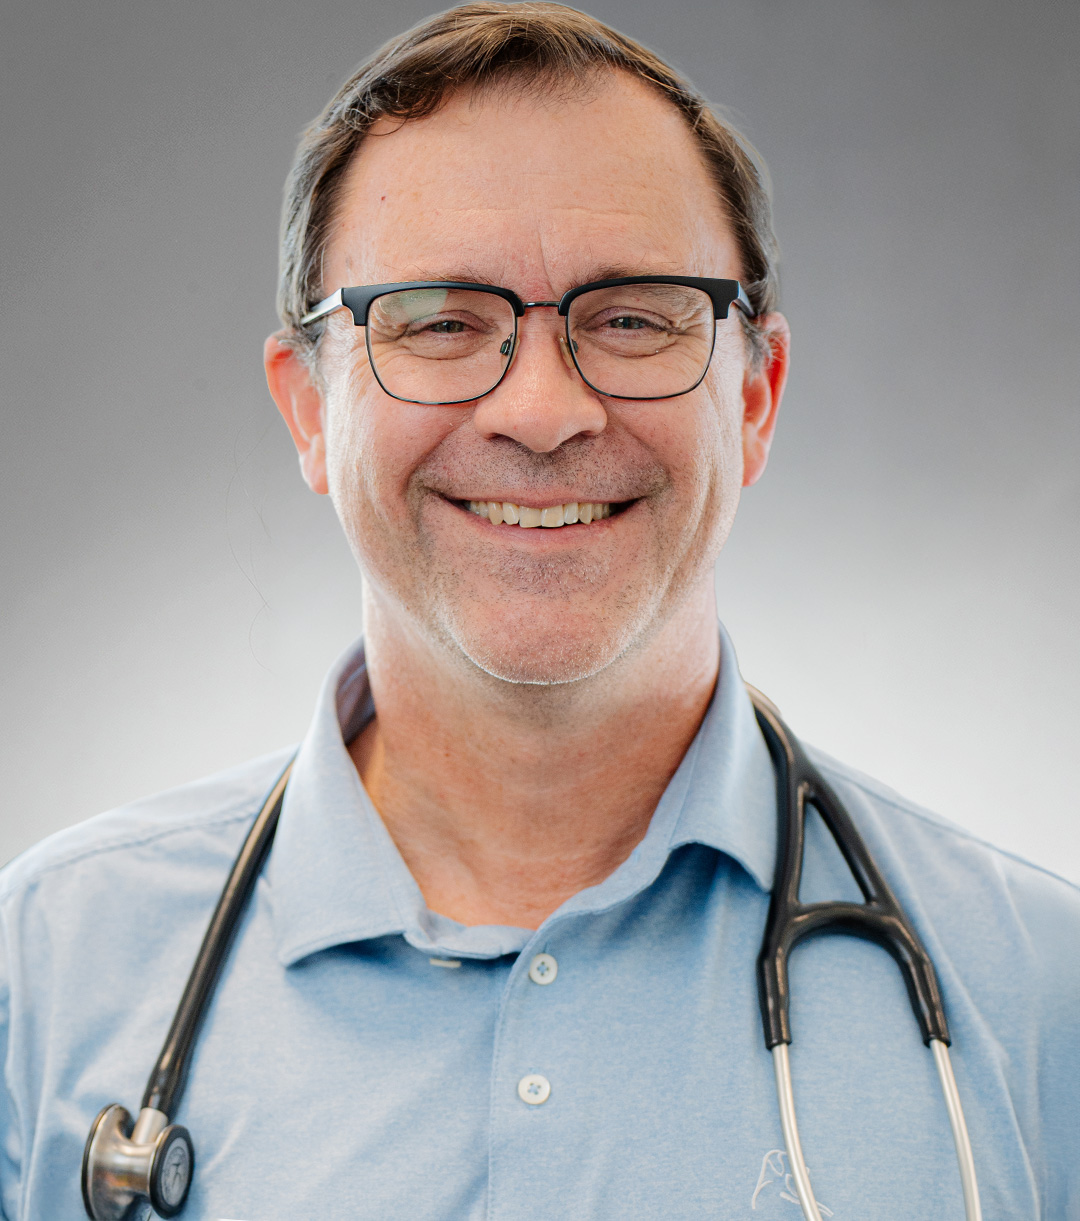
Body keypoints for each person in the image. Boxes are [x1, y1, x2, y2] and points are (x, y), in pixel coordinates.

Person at [2, 4, 1077, 1219]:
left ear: (757, 397)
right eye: (443, 322)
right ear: (310, 410)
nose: (543, 410)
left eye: (632, 317)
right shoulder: (47, 972)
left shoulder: (1040, 993)